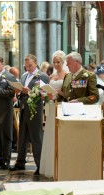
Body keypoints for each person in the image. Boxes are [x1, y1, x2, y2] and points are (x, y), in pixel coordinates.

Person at [9, 54, 49, 175]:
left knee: (36, 138)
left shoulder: (43, 76)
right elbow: (22, 91)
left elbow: (44, 94)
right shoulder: (24, 75)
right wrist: (18, 91)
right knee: (22, 137)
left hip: (35, 110)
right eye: (26, 66)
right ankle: (20, 163)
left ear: (36, 63)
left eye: (30, 65)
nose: (28, 68)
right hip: (24, 108)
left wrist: (30, 91)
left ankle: (40, 165)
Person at [40, 50, 67, 178]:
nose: (56, 64)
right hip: (51, 106)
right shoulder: (51, 77)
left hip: (61, 106)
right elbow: (47, 91)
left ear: (63, 62)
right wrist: (45, 94)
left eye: (58, 62)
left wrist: (59, 93)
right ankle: (49, 165)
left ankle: (60, 165)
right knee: (50, 134)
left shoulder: (67, 75)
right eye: (54, 62)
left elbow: (68, 93)